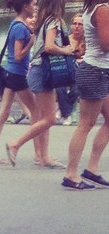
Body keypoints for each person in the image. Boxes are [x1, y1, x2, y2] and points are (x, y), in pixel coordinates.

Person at [5, 0, 74, 168]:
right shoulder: (54, 21)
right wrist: (66, 50)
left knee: (45, 117)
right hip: (43, 71)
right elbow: (49, 47)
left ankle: (44, 157)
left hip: (38, 70)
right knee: (50, 118)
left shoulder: (44, 20)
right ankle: (16, 144)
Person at [62, 1, 109, 190]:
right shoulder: (102, 9)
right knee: (85, 124)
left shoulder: (93, 7)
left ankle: (92, 168)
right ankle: (71, 174)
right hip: (95, 71)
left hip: (100, 71)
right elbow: (106, 44)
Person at [0, 0, 37, 164]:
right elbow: (19, 55)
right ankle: (39, 154)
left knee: (3, 114)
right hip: (17, 75)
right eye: (34, 4)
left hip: (9, 73)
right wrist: (31, 43)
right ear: (26, 6)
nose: (35, 7)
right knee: (37, 113)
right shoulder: (20, 27)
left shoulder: (16, 24)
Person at [55, 13, 86, 125]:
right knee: (60, 87)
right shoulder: (66, 39)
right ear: (71, 25)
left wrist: (82, 59)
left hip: (80, 73)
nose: (77, 26)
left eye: (80, 24)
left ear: (84, 26)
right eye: (75, 23)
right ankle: (66, 114)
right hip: (65, 70)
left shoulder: (87, 41)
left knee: (77, 88)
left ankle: (62, 111)